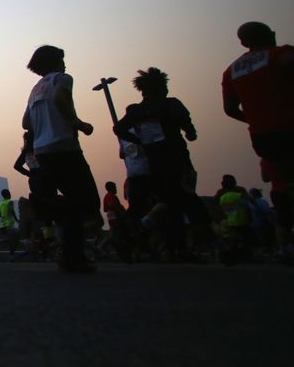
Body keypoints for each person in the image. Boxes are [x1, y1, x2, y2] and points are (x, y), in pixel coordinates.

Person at [114, 67, 210, 260]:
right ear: (162, 87)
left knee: (171, 203)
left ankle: (176, 246)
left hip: (155, 164)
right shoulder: (170, 104)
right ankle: (209, 239)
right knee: (189, 202)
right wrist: (189, 132)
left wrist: (137, 140)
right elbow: (187, 127)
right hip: (178, 160)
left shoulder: (136, 111)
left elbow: (119, 128)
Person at [22, 45, 99, 272]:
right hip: (64, 146)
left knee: (74, 202)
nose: (65, 63)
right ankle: (44, 205)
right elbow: (59, 98)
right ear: (55, 61)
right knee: (89, 202)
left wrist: (43, 124)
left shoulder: (35, 89)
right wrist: (77, 123)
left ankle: (72, 257)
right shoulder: (62, 79)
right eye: (62, 59)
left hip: (42, 150)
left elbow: (26, 123)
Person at [222, 22, 294, 253]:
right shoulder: (280, 54)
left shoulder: (232, 71)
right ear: (270, 34)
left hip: (263, 138)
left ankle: (285, 240)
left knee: (280, 183)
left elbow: (230, 109)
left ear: (243, 43)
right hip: (289, 128)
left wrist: (255, 120)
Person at [0, 189, 18, 256]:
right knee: (13, 240)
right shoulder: (10, 202)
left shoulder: (1, 203)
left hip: (2, 224)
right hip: (9, 224)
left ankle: (10, 255)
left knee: (8, 240)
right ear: (8, 194)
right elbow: (12, 211)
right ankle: (11, 256)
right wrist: (17, 220)